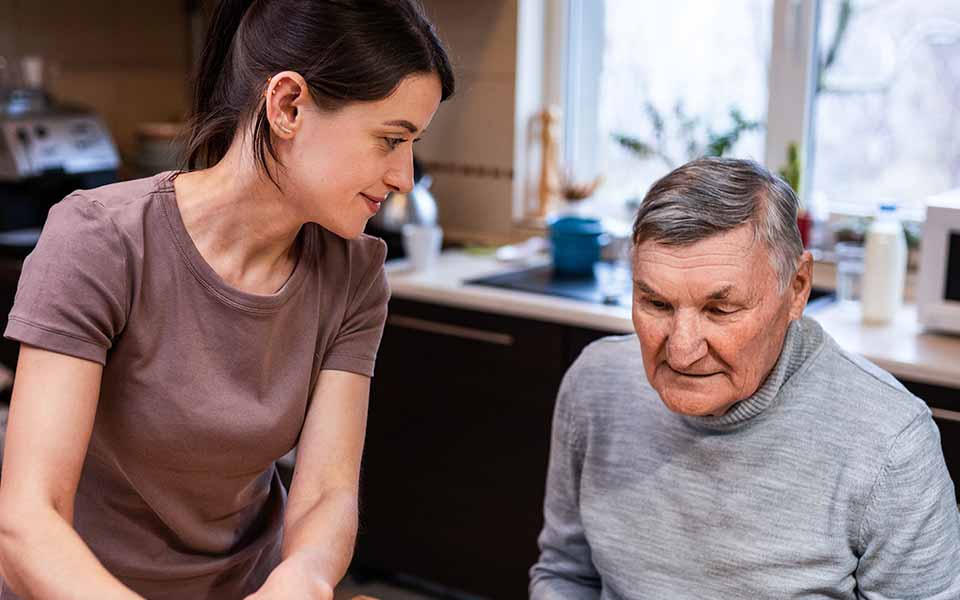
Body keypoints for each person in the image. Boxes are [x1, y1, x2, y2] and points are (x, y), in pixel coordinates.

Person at [0, 0, 454, 598]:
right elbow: (28, 520)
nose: (403, 175)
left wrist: (303, 578)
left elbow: (325, 493)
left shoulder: (355, 274)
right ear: (287, 105)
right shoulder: (101, 240)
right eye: (391, 140)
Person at [530, 158, 960, 599]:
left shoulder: (891, 443)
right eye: (656, 304)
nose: (681, 349)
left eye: (720, 310)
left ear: (797, 288)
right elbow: (566, 574)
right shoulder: (596, 384)